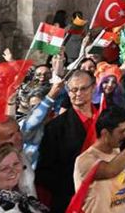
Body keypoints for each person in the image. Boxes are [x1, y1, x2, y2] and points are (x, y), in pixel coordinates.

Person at [35, 70, 97, 212]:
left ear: (93, 87)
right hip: (71, 200)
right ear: (68, 92)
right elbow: (44, 171)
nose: (78, 93)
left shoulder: (106, 118)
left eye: (83, 88)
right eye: (73, 90)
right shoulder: (55, 127)